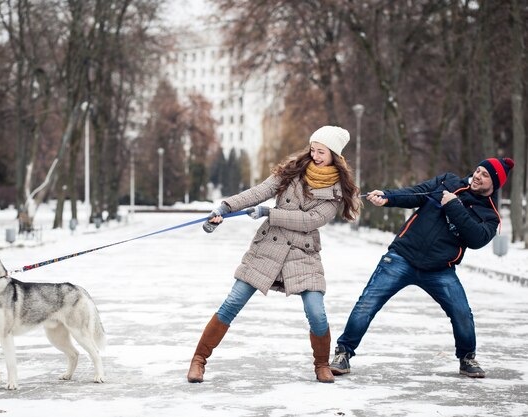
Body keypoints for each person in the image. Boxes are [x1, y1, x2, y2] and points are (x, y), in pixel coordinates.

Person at [186, 125, 360, 384]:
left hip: (303, 253)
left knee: (316, 311)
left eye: (321, 152)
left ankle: (322, 364)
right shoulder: (293, 171)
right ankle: (198, 360)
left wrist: (269, 213)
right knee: (233, 302)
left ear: (334, 154)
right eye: (313, 149)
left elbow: (310, 220)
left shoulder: (337, 190)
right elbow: (260, 191)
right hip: (269, 247)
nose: (315, 155)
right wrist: (224, 207)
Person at [329, 157, 515, 379]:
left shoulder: (490, 216)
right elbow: (415, 193)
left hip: (440, 269)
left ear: (494, 184)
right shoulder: (448, 181)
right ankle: (343, 353)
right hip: (402, 256)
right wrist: (387, 197)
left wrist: (453, 205)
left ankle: (467, 358)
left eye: (485, 175)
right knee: (366, 304)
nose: (477, 176)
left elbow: (476, 239)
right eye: (478, 170)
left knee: (462, 313)